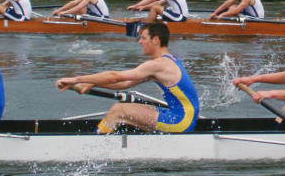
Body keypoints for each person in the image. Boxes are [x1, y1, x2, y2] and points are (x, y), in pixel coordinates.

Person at [56, 21, 199, 134]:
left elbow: (115, 77)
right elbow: (123, 84)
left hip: (180, 120)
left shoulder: (159, 64)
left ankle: (93, 146)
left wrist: (76, 79)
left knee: (119, 110)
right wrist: (92, 84)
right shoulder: (168, 61)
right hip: (180, 116)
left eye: (143, 38)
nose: (140, 42)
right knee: (124, 113)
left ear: (155, 40)